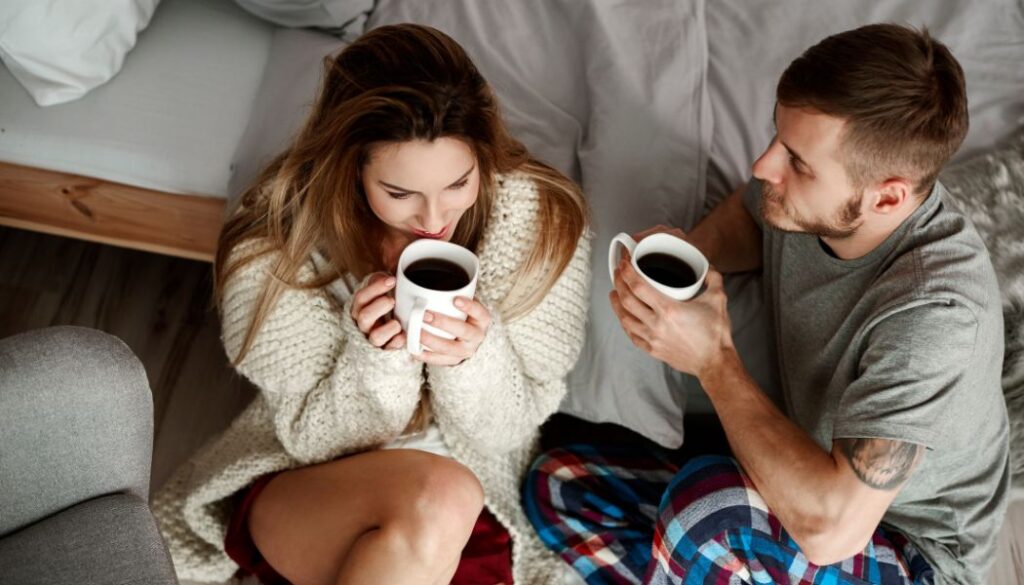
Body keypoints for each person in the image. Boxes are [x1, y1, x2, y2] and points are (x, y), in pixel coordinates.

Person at [524, 23, 1009, 585]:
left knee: (711, 516)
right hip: (800, 489)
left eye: (797, 162)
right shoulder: (810, 201)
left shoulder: (936, 318)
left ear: (888, 197)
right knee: (561, 482)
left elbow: (832, 533)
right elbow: (750, 214)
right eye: (776, 137)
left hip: (910, 552)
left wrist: (713, 359)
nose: (763, 166)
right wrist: (689, 260)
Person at [153, 23, 591, 585]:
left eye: (458, 184)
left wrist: (472, 359)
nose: (434, 219)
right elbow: (312, 440)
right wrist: (377, 358)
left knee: (446, 505)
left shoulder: (541, 223)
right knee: (443, 496)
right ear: (350, 168)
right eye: (400, 193)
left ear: (484, 156)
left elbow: (506, 431)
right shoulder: (275, 242)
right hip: (310, 483)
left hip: (479, 503)